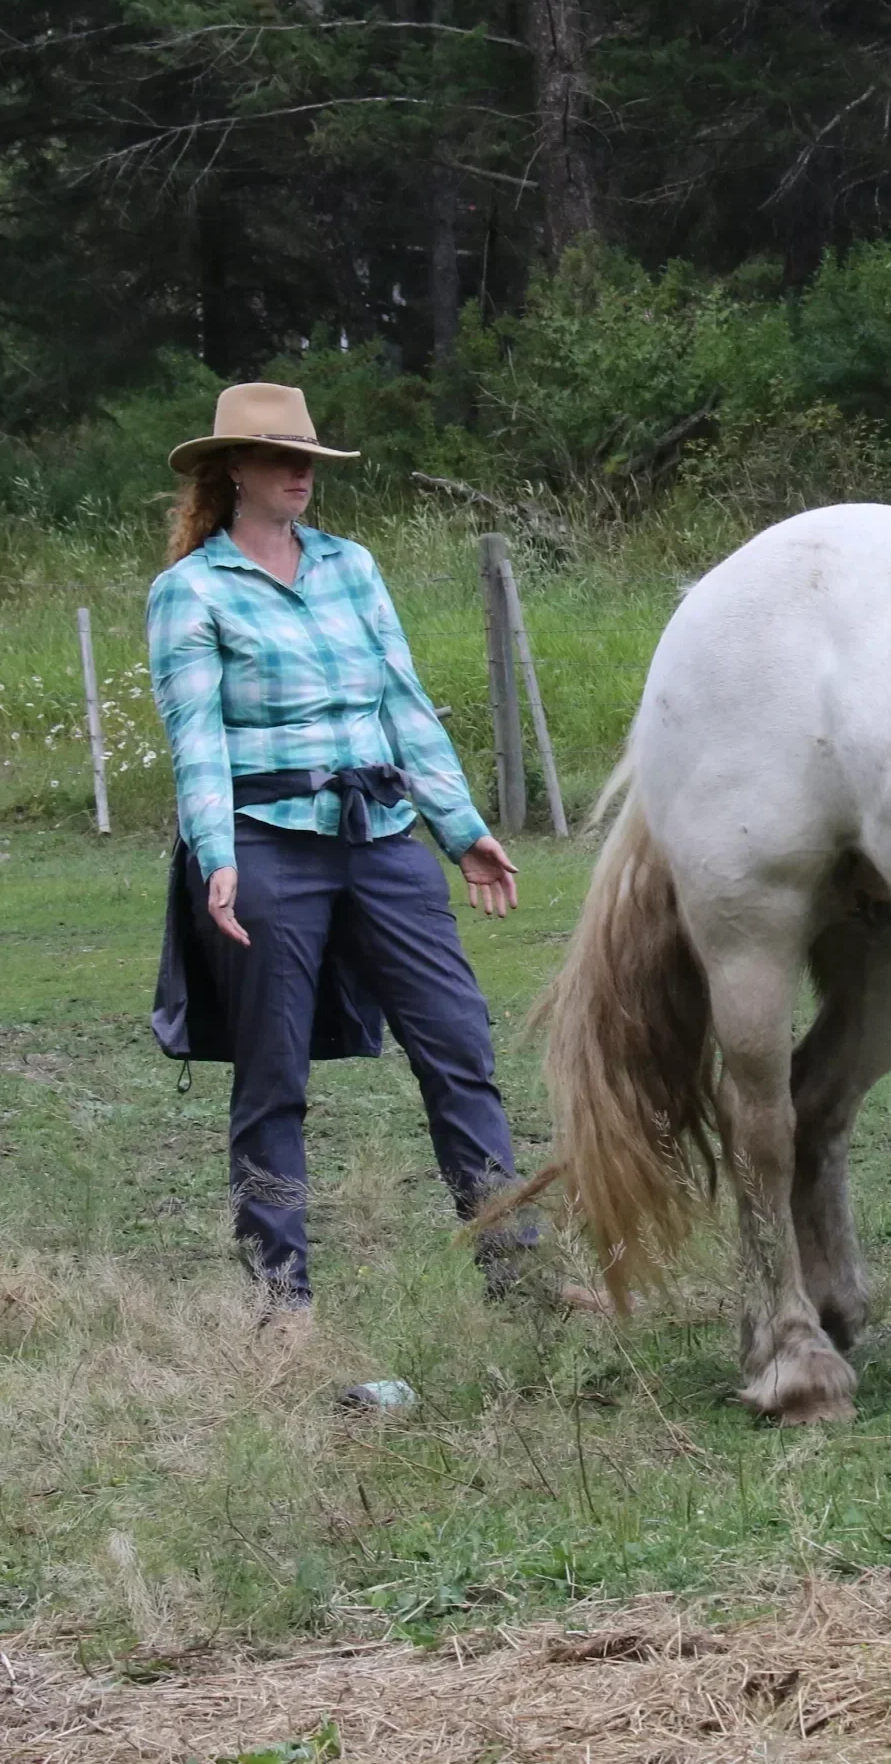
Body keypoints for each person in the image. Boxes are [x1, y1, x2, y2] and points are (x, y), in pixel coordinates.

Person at [147, 381, 529, 1325]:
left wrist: (460, 826)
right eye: (281, 458)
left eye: (308, 459)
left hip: (384, 840)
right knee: (272, 1073)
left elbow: (402, 702)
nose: (299, 473)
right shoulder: (190, 591)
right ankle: (284, 1303)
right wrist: (214, 853)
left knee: (459, 1047)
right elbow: (196, 738)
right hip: (269, 849)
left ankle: (519, 1276)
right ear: (232, 468)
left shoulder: (350, 565)